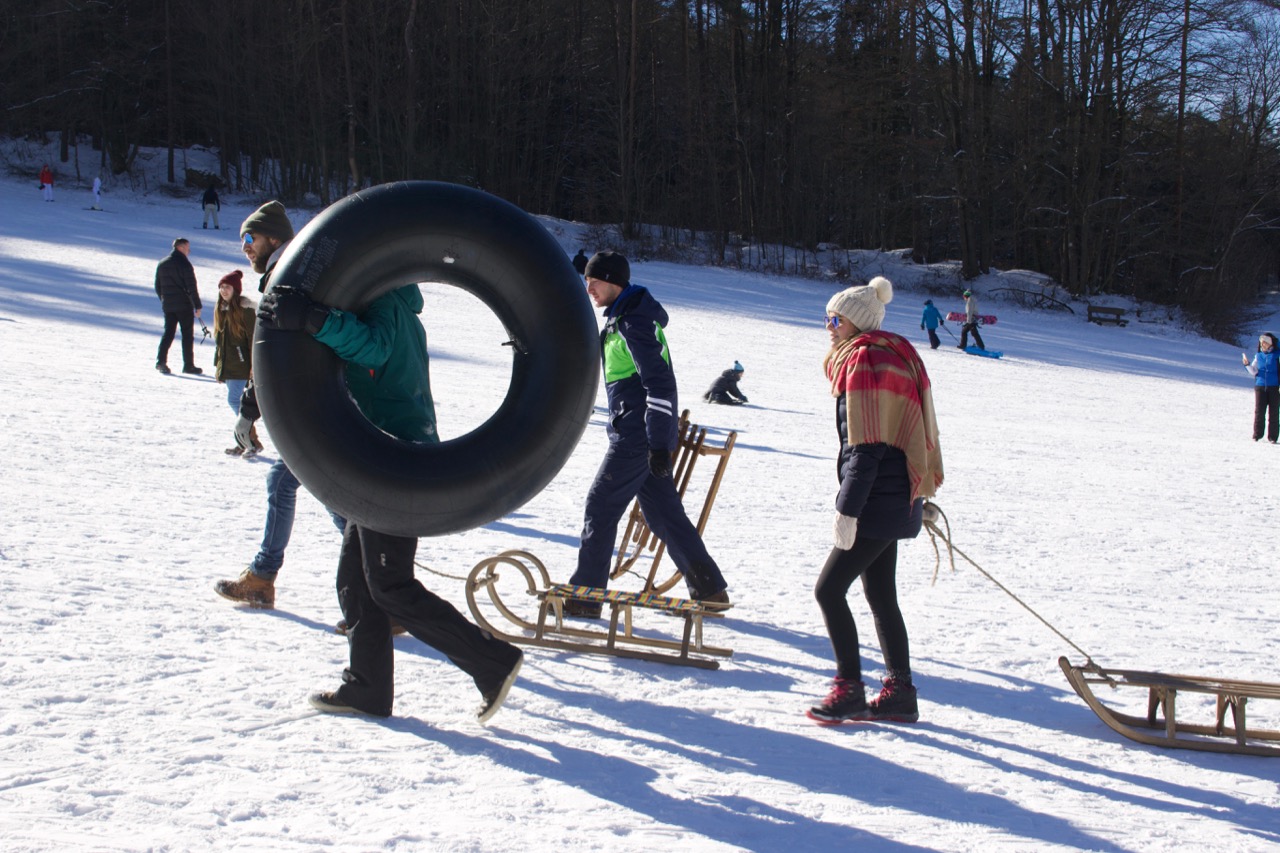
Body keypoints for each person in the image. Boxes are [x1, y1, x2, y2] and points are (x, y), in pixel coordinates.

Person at [255, 276, 523, 722]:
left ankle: (492, 662)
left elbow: (374, 348)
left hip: (398, 463)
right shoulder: (387, 300)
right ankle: (368, 688)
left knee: (390, 586)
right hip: (376, 460)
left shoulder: (384, 300)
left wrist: (313, 318)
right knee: (355, 581)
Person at [807, 276, 944, 725]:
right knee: (880, 594)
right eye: (828, 316)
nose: (828, 326)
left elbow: (864, 446)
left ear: (856, 323)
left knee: (829, 591)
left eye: (835, 319)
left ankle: (849, 689)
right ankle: (900, 693)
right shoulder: (897, 353)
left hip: (877, 499)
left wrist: (847, 510)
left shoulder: (865, 359)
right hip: (898, 494)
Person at [564, 251, 730, 617]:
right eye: (586, 281)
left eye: (594, 281)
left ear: (613, 282)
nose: (588, 288)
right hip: (641, 435)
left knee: (600, 505)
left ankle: (586, 597)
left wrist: (656, 443)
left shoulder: (632, 323)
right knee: (664, 514)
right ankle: (710, 589)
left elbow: (660, 385)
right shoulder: (626, 315)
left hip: (638, 438)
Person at [213, 269, 261, 456]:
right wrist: (219, 369)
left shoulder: (246, 310)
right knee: (238, 404)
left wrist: (252, 366)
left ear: (236, 290)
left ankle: (250, 442)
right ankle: (245, 442)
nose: (224, 291)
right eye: (221, 287)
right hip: (230, 366)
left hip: (243, 365)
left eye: (227, 287)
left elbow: (253, 339)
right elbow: (220, 344)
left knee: (236, 402)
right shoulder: (221, 310)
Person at [154, 237, 203, 375]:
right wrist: (197, 306)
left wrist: (164, 300)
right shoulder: (185, 265)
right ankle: (188, 365)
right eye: (187, 248)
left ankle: (161, 361)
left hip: (168, 306)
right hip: (184, 305)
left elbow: (157, 286)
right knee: (187, 335)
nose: (189, 251)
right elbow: (192, 287)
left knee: (168, 333)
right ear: (180, 248)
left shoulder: (162, 263)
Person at [1243, 331, 1280, 443]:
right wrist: (1247, 365)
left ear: (1270, 343)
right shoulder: (1258, 356)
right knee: (1259, 411)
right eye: (1261, 343)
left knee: (1274, 412)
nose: (1263, 344)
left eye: (1265, 343)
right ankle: (1257, 435)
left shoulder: (1277, 355)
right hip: (1260, 386)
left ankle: (1273, 437)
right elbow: (1254, 371)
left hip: (1274, 387)